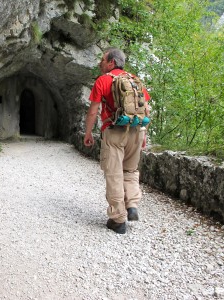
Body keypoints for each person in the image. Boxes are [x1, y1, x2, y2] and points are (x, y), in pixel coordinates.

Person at [84, 47, 150, 234]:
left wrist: (88, 133)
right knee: (130, 170)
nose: (100, 63)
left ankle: (118, 219)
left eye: (103, 60)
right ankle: (132, 205)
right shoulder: (135, 80)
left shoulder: (103, 81)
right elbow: (146, 110)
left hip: (114, 131)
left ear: (111, 62)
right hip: (136, 131)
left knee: (114, 174)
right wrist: (143, 135)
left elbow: (93, 111)